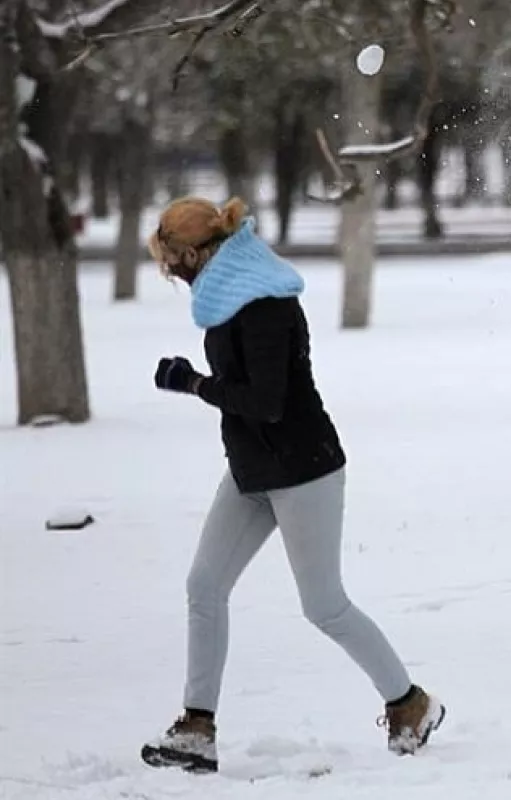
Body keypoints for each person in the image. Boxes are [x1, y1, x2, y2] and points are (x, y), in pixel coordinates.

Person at [139, 197, 444, 773]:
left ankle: (410, 702)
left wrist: (195, 384)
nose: (173, 273)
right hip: (253, 470)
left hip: (304, 470)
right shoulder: (228, 296)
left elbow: (267, 403)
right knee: (205, 586)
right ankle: (197, 728)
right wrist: (203, 385)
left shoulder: (264, 306)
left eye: (173, 261)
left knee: (325, 606)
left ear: (196, 252)